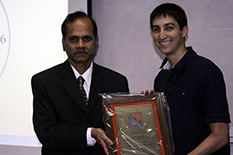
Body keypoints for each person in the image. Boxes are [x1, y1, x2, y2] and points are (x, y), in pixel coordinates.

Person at [31, 11, 129, 155]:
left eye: (87, 38)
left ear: (96, 42)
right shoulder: (44, 82)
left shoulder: (117, 82)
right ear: (64, 43)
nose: (81, 45)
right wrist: (89, 134)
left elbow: (124, 132)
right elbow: (46, 132)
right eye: (73, 39)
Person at [149, 3, 231, 155]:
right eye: (156, 29)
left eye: (169, 28)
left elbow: (220, 135)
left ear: (184, 31)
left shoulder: (206, 72)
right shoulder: (160, 78)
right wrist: (148, 108)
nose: (161, 35)